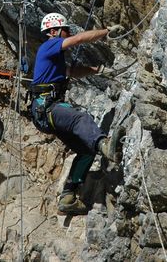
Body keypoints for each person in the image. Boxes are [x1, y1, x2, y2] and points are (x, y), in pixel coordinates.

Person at [29, 12, 122, 214]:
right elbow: (78, 39)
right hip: (48, 108)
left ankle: (68, 197)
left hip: (46, 112)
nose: (68, 33)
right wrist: (105, 33)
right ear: (53, 31)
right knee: (80, 118)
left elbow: (72, 72)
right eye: (65, 30)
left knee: (86, 151)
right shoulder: (50, 44)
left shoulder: (54, 60)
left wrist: (96, 70)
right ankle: (105, 146)